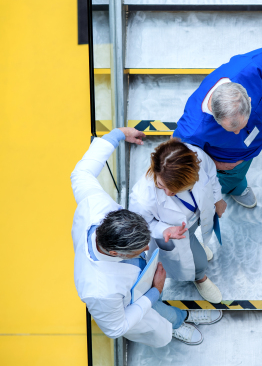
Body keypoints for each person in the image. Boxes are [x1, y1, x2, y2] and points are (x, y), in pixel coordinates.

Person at [71, 127, 222, 347]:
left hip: (148, 275)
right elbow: (116, 328)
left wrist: (118, 134)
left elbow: (81, 173)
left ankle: (182, 316)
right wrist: (154, 292)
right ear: (115, 253)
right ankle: (179, 321)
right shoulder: (99, 290)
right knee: (161, 313)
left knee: (184, 256)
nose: (146, 250)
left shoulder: (96, 205)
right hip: (136, 297)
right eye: (141, 250)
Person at [173, 45, 262, 209]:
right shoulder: (193, 129)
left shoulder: (246, 69)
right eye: (232, 129)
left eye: (241, 124)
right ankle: (236, 189)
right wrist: (217, 164)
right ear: (215, 117)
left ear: (248, 99)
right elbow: (176, 150)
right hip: (232, 156)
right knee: (232, 178)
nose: (239, 132)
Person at [130, 139, 226, 303]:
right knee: (198, 261)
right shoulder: (143, 197)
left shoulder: (199, 158)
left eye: (175, 189)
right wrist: (164, 230)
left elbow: (211, 176)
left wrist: (217, 199)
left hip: (194, 218)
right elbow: (142, 225)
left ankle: (194, 243)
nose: (167, 193)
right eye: (161, 185)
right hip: (173, 233)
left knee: (193, 236)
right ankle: (199, 277)